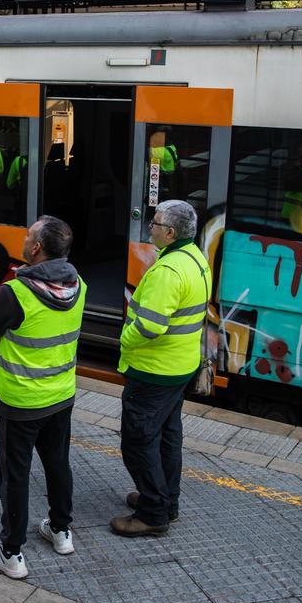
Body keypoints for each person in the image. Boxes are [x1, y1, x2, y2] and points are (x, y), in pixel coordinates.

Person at [0, 216, 84, 579]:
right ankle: (61, 531)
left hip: (21, 401)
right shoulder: (79, 286)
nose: (24, 241)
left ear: (36, 248)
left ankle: (11, 553)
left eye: (28, 237)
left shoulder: (16, 292)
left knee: (15, 475)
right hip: (62, 395)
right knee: (58, 464)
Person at [112, 200, 211, 538]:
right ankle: (167, 501)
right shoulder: (195, 258)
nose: (149, 227)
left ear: (169, 233)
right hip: (179, 366)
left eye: (154, 223)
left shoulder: (168, 272)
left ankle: (153, 512)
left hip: (155, 369)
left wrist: (125, 338)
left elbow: (149, 326)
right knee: (168, 437)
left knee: (138, 440)